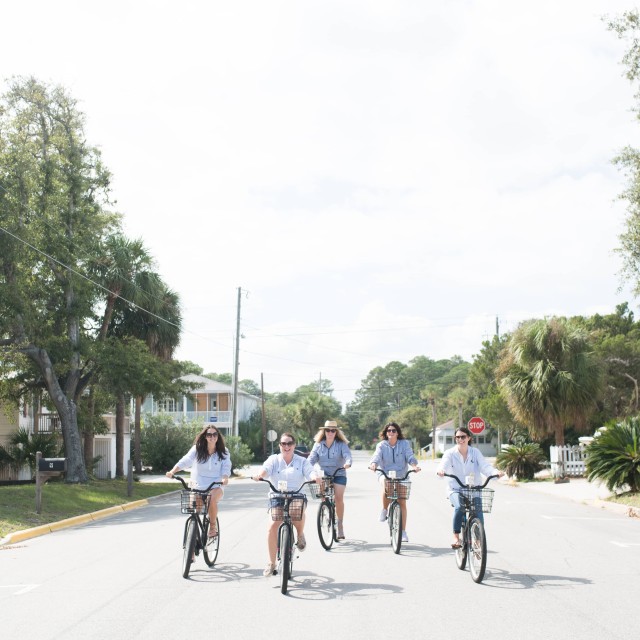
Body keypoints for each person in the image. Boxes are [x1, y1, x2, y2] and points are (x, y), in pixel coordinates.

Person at [252, 432, 318, 577]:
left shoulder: (302, 461)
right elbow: (265, 469)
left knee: (296, 512)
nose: (286, 446)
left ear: (294, 445)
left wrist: (314, 477)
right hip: (277, 495)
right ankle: (271, 563)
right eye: (283, 444)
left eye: (289, 443)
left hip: (296, 495)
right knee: (272, 525)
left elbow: (310, 471)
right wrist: (260, 475)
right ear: (280, 445)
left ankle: (300, 534)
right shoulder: (274, 459)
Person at [436, 426, 504, 548]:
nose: (460, 439)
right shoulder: (450, 453)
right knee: (460, 507)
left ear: (468, 438)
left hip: (473, 489)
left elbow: (485, 466)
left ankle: (478, 542)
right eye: (457, 437)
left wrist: (495, 473)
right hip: (455, 489)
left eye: (463, 437)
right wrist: (440, 470)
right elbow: (443, 465)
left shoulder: (475, 452)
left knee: (478, 513)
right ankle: (456, 537)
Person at [166, 425, 231, 537]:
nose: (212, 437)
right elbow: (186, 461)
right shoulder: (197, 449)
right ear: (205, 437)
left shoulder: (223, 451)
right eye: (209, 435)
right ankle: (192, 545)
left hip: (215, 484)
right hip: (197, 484)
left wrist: (225, 478)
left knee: (211, 499)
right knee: (194, 511)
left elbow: (226, 466)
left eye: (215, 434)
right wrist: (173, 471)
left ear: (218, 436)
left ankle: (213, 526)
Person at [368, 421, 421, 543]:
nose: (391, 432)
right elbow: (376, 457)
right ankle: (384, 509)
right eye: (389, 431)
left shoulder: (404, 444)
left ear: (397, 433)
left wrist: (414, 466)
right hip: (384, 472)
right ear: (386, 433)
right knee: (387, 484)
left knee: (402, 502)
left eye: (393, 430)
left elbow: (410, 457)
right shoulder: (381, 445)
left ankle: (403, 532)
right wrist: (373, 464)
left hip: (401, 474)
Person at [308, 419, 352, 540]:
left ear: (336, 432)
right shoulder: (318, 444)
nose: (330, 432)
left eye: (333, 430)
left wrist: (348, 463)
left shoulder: (341, 444)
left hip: (339, 473)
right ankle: (325, 507)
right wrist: (306, 468)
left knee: (338, 498)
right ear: (324, 431)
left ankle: (340, 525)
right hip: (324, 474)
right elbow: (311, 459)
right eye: (328, 430)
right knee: (323, 496)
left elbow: (348, 455)